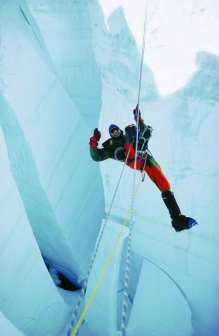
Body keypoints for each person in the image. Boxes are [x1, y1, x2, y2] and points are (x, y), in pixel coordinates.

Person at [89, 106, 197, 232]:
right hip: (132, 159)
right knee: (130, 131)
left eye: (116, 129)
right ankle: (139, 144)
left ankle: (177, 219)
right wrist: (94, 141)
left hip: (146, 159)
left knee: (165, 185)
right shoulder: (110, 147)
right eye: (112, 131)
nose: (115, 132)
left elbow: (137, 130)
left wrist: (138, 118)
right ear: (111, 135)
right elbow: (96, 156)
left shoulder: (126, 136)